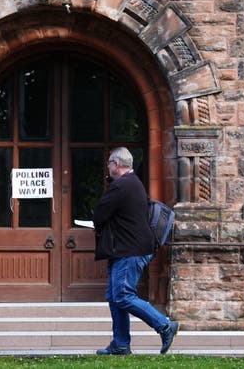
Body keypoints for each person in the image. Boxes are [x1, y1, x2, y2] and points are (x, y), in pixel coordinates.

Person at [93, 146, 179, 355]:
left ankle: (164, 325)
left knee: (122, 295)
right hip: (126, 249)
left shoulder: (122, 185)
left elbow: (99, 214)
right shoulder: (134, 183)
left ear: (117, 164)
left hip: (129, 250)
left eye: (109, 164)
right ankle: (121, 344)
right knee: (115, 296)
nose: (108, 168)